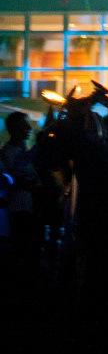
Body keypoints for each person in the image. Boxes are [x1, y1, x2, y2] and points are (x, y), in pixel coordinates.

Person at [0, 111, 39, 272]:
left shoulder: (22, 151)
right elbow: (18, 177)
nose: (29, 128)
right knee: (22, 252)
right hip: (19, 210)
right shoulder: (9, 152)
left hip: (27, 209)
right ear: (15, 128)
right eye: (25, 125)